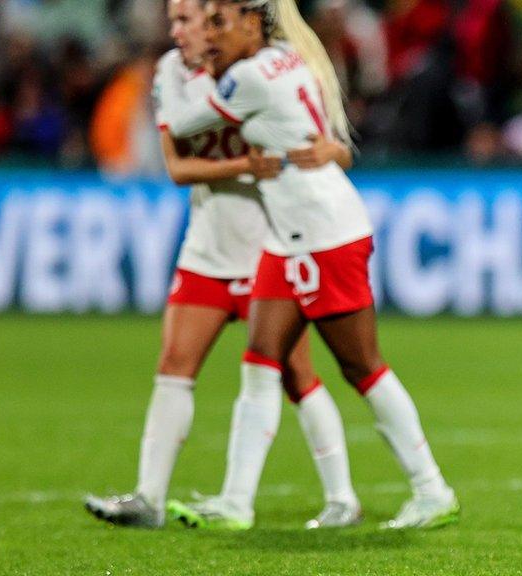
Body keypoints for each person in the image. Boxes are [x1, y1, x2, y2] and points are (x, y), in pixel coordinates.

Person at [160, 0, 459, 530]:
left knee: (362, 366)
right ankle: (235, 502)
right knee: (260, 359)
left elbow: (184, 123)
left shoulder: (249, 77)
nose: (208, 38)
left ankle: (432, 488)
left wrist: (176, 75)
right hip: (288, 237)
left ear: (254, 22)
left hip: (325, 235)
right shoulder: (288, 57)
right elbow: (327, 140)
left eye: (219, 25)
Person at [84, 0, 356, 530]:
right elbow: (177, 167)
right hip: (208, 249)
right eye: (174, 22)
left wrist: (324, 154)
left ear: (221, 23)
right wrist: (247, 165)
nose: (178, 31)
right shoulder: (170, 73)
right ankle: (149, 498)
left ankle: (342, 496)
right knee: (174, 366)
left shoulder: (263, 67)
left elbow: (329, 146)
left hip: (269, 249)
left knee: (299, 375)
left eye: (188, 20)